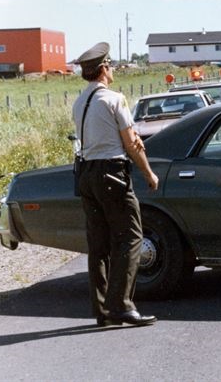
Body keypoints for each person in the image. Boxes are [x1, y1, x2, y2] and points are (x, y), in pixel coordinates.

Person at [72, 42, 158, 327]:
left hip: (86, 173)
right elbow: (132, 142)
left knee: (98, 245)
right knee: (131, 237)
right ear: (104, 69)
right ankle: (121, 305)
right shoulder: (114, 99)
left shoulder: (80, 101)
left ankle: (102, 310)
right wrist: (148, 173)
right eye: (110, 66)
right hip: (112, 172)